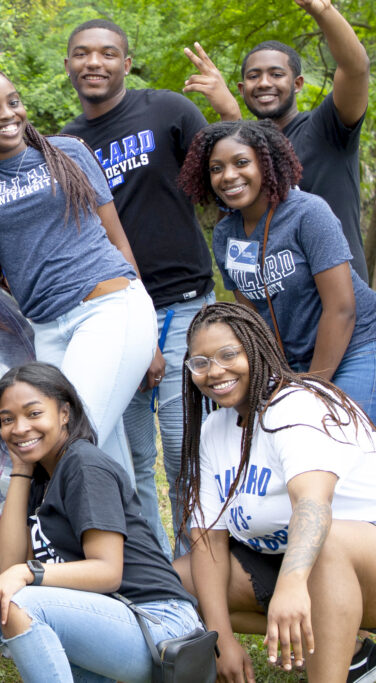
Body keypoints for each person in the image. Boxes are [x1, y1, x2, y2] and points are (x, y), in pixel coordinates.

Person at [0, 61, 156, 476]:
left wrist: (146, 338)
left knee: (65, 443)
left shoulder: (67, 152)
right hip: (47, 329)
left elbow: (117, 238)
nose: (8, 114)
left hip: (109, 306)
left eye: (13, 101)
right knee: (106, 460)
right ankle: (137, 541)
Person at [62, 18, 215, 553]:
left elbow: (232, 171)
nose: (94, 63)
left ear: (126, 64)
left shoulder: (169, 110)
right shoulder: (64, 145)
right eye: (82, 54)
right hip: (113, 316)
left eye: (107, 53)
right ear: (68, 67)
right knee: (129, 461)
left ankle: (196, 570)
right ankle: (158, 581)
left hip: (188, 308)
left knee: (184, 451)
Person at [0, 362, 201, 681]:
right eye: (7, 420)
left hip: (159, 626)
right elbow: (7, 567)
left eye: (33, 413)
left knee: (18, 602)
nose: (19, 428)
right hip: (108, 616)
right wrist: (21, 471)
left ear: (64, 413)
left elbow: (107, 572)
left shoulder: (84, 465)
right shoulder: (41, 474)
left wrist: (25, 573)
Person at [173, 301, 376, 682]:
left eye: (228, 354)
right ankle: (352, 652)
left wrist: (291, 587)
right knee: (177, 585)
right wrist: (222, 640)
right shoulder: (214, 429)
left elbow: (313, 504)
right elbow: (207, 541)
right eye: (200, 363)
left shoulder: (294, 406)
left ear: (256, 347)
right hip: (302, 567)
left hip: (362, 560)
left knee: (327, 543)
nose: (215, 372)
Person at [178, 119, 376, 421]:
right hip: (292, 361)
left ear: (267, 164)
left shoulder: (308, 213)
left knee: (337, 431)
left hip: (359, 346)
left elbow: (342, 308)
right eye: (216, 168)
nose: (228, 176)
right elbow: (251, 320)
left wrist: (312, 386)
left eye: (241, 162)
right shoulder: (225, 234)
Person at [184, 0, 371, 281]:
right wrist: (230, 117)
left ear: (297, 83)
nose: (263, 83)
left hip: (340, 297)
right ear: (241, 88)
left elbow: (355, 68)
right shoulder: (240, 152)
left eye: (276, 74)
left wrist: (322, 11)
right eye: (253, 76)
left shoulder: (328, 128)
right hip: (274, 305)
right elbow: (233, 232)